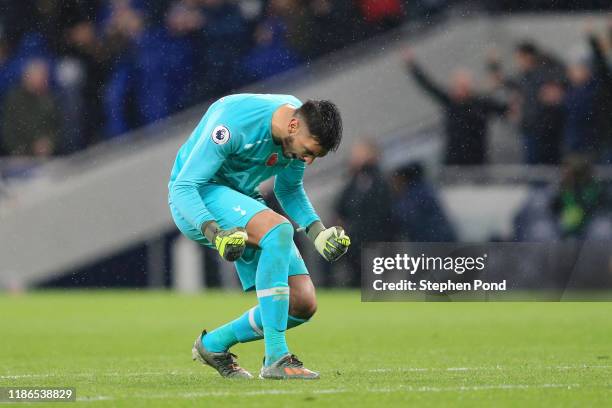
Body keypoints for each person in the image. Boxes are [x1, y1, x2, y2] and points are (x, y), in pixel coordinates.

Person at [168, 94, 350, 379]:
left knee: (303, 303)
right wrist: (215, 234)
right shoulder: (234, 123)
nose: (308, 160)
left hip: (240, 200)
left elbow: (289, 189)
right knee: (278, 229)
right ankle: (277, 358)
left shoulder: (298, 129)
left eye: (315, 156)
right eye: (309, 151)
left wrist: (319, 233)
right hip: (199, 200)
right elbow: (184, 186)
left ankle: (213, 345)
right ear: (292, 126)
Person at [403, 47, 508, 165]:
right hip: (453, 162)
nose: (459, 89)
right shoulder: (450, 102)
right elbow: (428, 85)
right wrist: (412, 65)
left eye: (463, 86)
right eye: (457, 85)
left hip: (476, 162)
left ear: (469, 86)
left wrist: (494, 66)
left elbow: (504, 106)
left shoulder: (480, 103)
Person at [335, 139, 393, 286]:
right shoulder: (354, 182)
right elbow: (341, 208)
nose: (354, 158)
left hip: (372, 241)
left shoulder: (378, 181)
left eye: (359, 154)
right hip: (355, 240)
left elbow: (382, 214)